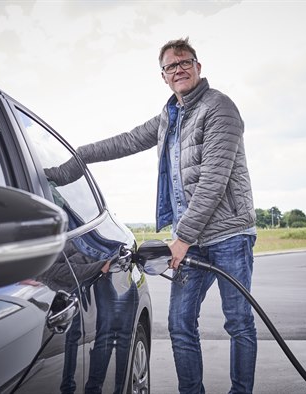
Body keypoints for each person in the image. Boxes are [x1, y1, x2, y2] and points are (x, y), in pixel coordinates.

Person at [45, 37, 257, 394]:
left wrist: (182, 238)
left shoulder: (220, 107)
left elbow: (213, 182)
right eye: (171, 66)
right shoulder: (168, 117)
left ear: (198, 67)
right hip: (189, 240)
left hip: (228, 235)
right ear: (163, 76)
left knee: (238, 322)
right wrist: (73, 161)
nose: (179, 70)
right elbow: (125, 141)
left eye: (185, 62)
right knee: (179, 324)